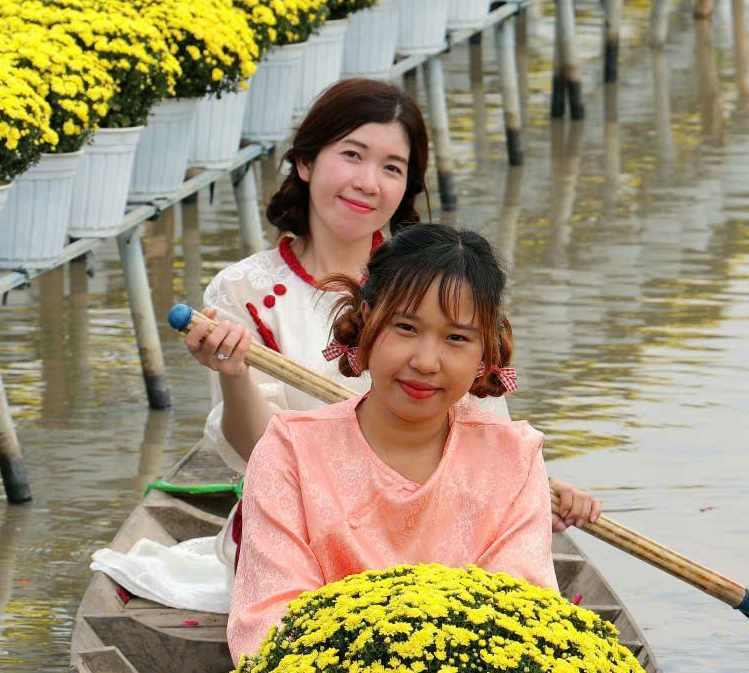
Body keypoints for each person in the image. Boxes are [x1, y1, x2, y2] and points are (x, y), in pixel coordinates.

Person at [228, 224, 592, 673]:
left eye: (457, 338)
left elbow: (522, 612)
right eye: (405, 327)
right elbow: (268, 619)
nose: (426, 360)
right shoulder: (291, 450)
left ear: (488, 355)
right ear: (361, 332)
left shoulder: (514, 458)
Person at [181, 76, 600, 529]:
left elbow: (480, 417)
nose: (367, 183)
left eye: (392, 168)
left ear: (407, 188)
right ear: (305, 162)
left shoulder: (440, 278)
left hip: (430, 517)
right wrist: (235, 375)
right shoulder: (243, 290)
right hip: (300, 521)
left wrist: (533, 484)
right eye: (352, 155)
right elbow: (256, 451)